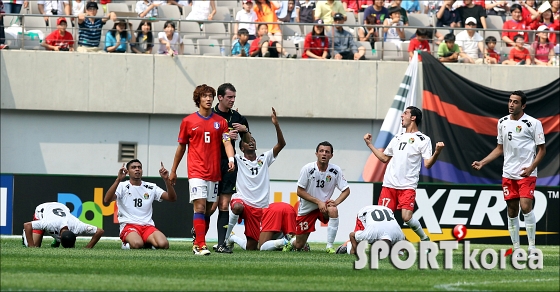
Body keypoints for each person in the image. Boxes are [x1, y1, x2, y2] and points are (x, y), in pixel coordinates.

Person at [472, 90, 545, 257]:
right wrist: (482, 162)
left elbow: (542, 150)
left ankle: (532, 248)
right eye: (510, 101)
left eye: (516, 102)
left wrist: (531, 167)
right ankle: (516, 248)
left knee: (526, 206)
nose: (511, 104)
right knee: (512, 211)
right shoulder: (502, 122)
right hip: (508, 173)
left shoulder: (533, 123)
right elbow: (500, 148)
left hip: (527, 173)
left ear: (523, 105)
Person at [169, 84, 235, 256]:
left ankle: (197, 243)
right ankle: (202, 245)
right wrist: (173, 170)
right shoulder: (188, 121)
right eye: (205, 96)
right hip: (196, 171)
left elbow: (227, 141)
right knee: (199, 207)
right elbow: (181, 147)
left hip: (214, 173)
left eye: (210, 96)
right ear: (198, 99)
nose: (208, 99)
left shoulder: (221, 122)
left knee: (207, 211)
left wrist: (231, 158)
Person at [363, 106, 445, 242]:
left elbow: (428, 164)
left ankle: (424, 238)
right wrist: (369, 144)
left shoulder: (423, 139)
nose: (402, 116)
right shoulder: (397, 137)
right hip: (389, 184)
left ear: (413, 118)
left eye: (405, 113)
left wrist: (437, 152)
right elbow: (384, 158)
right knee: (384, 219)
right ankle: (396, 243)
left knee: (407, 218)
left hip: (407, 185)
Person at [222, 107, 286, 251]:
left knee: (253, 248)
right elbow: (225, 144)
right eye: (247, 141)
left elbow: (281, 144)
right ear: (241, 148)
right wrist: (231, 126)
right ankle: (225, 239)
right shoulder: (237, 159)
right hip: (244, 202)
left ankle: (233, 238)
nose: (251, 142)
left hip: (261, 208)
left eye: (253, 140)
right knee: (237, 207)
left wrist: (276, 124)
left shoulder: (264, 158)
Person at [286, 141, 351, 254]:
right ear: (316, 154)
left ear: (331, 155)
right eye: (321, 151)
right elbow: (299, 191)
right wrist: (318, 202)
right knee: (299, 245)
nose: (324, 154)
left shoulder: (335, 170)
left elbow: (346, 190)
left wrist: (335, 202)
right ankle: (290, 242)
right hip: (307, 208)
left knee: (333, 209)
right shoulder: (307, 169)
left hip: (324, 208)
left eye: (327, 152)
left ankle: (329, 246)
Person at [209, 83, 250, 253]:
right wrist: (224, 136)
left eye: (234, 97)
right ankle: (198, 233)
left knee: (224, 204)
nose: (232, 100)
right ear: (220, 98)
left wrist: (245, 130)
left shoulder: (238, 117)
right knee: (209, 206)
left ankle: (221, 244)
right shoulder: (210, 115)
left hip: (229, 164)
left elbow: (248, 143)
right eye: (229, 97)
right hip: (211, 162)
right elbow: (205, 139)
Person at [104, 160, 177, 250]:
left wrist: (166, 180)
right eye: (133, 167)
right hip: (129, 225)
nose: (137, 169)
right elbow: (107, 200)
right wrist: (118, 179)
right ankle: (127, 244)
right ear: (128, 171)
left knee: (164, 245)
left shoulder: (151, 187)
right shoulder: (122, 186)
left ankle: (146, 242)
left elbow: (172, 198)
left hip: (147, 226)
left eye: (139, 167)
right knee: (137, 244)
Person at [23, 202, 104, 248]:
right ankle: (24, 235)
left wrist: (88, 247)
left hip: (61, 207)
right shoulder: (49, 223)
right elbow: (27, 225)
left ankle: (56, 240)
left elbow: (100, 231)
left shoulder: (78, 226)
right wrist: (31, 246)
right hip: (42, 210)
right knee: (36, 246)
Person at [336, 205, 405, 255]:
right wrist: (355, 250)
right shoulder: (370, 235)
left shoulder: (399, 236)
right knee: (356, 247)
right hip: (364, 213)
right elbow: (352, 235)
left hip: (387, 210)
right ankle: (346, 246)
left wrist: (400, 253)